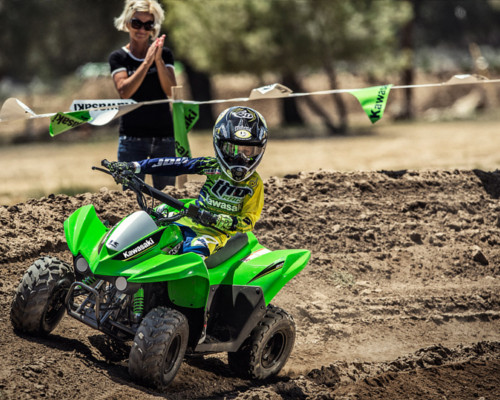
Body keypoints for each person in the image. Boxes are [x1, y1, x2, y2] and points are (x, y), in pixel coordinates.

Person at [109, 106, 268, 258]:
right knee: (145, 224)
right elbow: (177, 164)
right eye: (233, 149)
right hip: (188, 216)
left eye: (248, 151)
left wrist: (220, 220)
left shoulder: (254, 184)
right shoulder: (212, 166)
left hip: (213, 233)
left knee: (192, 255)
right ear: (220, 144)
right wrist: (134, 166)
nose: (241, 158)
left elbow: (248, 222)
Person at [109, 0, 177, 190]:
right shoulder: (118, 57)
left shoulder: (165, 55)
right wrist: (146, 64)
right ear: (127, 23)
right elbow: (125, 91)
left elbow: (172, 91)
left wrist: (157, 60)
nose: (142, 29)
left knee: (168, 197)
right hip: (132, 140)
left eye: (148, 25)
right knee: (131, 199)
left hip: (165, 138)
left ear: (153, 28)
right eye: (137, 23)